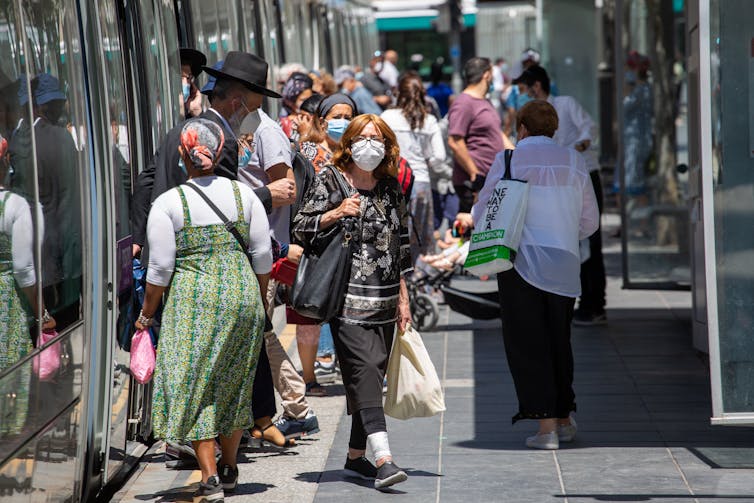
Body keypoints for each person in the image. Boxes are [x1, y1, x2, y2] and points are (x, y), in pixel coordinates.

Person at [137, 118, 272, 499]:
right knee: (234, 383)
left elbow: (160, 269)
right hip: (243, 297)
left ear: (184, 154)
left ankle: (209, 475)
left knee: (196, 385)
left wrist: (146, 315)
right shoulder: (246, 195)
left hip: (194, 304)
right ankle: (230, 467)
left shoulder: (169, 203)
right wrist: (257, 300)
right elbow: (262, 256)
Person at [458, 100, 599, 450]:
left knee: (528, 344)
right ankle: (565, 419)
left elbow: (485, 208)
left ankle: (546, 428)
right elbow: (590, 221)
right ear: (554, 129)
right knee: (559, 341)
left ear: (521, 128)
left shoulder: (510, 159)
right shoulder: (574, 160)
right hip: (565, 264)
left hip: (520, 263)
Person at [200, 59, 320, 443]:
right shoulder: (240, 129)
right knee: (262, 333)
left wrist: (244, 205)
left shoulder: (265, 132)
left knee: (259, 334)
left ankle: (290, 410)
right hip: (248, 247)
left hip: (260, 250)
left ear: (243, 96)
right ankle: (292, 408)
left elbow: (286, 188)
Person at [292, 114, 412, 490]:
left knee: (373, 375)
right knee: (364, 375)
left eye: (377, 139)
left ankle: (355, 456)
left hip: (386, 299)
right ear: (351, 142)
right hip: (346, 300)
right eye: (364, 137)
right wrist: (337, 212)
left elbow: (401, 246)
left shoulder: (391, 186)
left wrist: (404, 300)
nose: (370, 145)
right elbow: (301, 225)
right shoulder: (331, 179)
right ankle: (384, 460)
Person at [513, 64, 607, 326]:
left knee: (591, 238)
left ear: (536, 85)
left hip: (583, 173)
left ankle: (595, 303)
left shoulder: (565, 104)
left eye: (525, 88)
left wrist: (576, 148)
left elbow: (590, 127)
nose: (524, 93)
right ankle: (573, 299)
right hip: (557, 182)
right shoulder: (531, 116)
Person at [294, 93, 358, 396]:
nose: (342, 123)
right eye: (336, 116)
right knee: (311, 312)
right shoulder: (308, 153)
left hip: (348, 246)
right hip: (315, 242)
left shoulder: (357, 153)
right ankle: (309, 377)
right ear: (322, 120)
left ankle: (351, 369)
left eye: (348, 116)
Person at [0, 133, 56, 436]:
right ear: (6, 162)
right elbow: (24, 268)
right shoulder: (15, 206)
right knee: (10, 364)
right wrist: (42, 313)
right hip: (7, 298)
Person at [381, 73, 446, 262]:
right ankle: (421, 281)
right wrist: (428, 162)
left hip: (395, 180)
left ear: (398, 93)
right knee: (422, 236)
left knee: (396, 234)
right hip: (422, 182)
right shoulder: (430, 120)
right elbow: (439, 157)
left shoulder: (387, 117)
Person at [447, 57, 513, 213]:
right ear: (486, 75)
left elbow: (498, 134)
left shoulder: (485, 101)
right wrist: (474, 174)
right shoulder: (464, 103)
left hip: (492, 179)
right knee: (472, 234)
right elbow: (455, 141)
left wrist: (520, 153)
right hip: (474, 184)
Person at [279, 72, 314, 141]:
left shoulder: (313, 119)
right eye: (303, 99)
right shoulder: (282, 124)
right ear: (290, 101)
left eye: (310, 98)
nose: (308, 102)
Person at [180, 48, 206, 118]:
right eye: (180, 78)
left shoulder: (191, 118)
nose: (185, 83)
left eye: (188, 78)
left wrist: (197, 111)